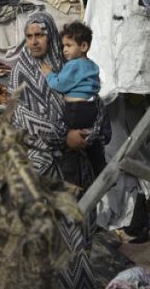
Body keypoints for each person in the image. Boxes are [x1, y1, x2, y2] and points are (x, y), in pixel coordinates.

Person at [9, 11, 108, 289]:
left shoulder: (66, 63)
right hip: (40, 162)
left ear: (50, 35)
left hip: (77, 162)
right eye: (29, 37)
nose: (34, 42)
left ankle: (76, 288)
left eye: (40, 35)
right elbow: (20, 117)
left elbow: (95, 101)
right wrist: (63, 136)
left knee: (78, 225)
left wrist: (89, 134)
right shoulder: (21, 71)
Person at [39, 20, 106, 176]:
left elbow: (59, 85)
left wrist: (49, 73)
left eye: (69, 46)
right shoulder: (92, 65)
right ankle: (101, 170)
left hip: (75, 111)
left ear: (83, 47)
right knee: (92, 144)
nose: (64, 50)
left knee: (70, 143)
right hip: (90, 109)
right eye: (63, 46)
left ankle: (68, 172)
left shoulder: (74, 65)